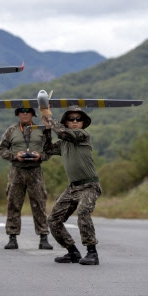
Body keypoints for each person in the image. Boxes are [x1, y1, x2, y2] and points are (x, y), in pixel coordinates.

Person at [40, 105, 101, 265]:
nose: (75, 121)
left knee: (83, 213)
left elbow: (61, 132)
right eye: (71, 119)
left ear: (83, 123)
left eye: (78, 119)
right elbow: (47, 150)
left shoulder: (82, 135)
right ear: (66, 121)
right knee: (53, 220)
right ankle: (72, 252)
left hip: (89, 186)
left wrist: (48, 115)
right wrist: (47, 129)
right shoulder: (63, 144)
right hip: (72, 188)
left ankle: (92, 253)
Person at [0, 107, 54, 250]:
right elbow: (2, 149)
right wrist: (14, 156)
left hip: (35, 170)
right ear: (17, 114)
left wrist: (40, 156)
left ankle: (43, 237)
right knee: (13, 203)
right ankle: (12, 237)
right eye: (21, 111)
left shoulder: (41, 129)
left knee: (39, 203)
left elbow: (49, 150)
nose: (24, 113)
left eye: (28, 111)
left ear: (33, 114)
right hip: (17, 170)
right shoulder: (11, 131)